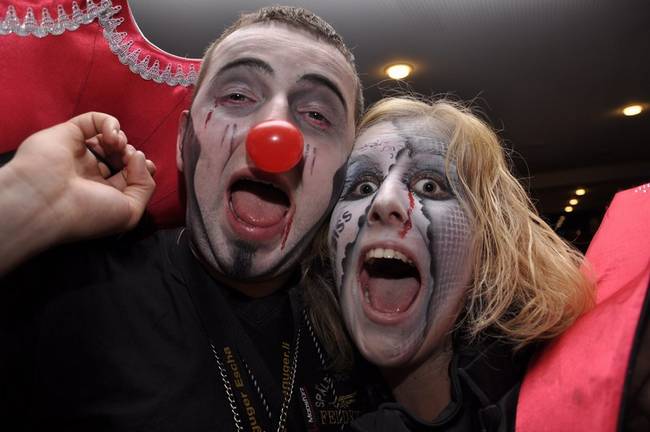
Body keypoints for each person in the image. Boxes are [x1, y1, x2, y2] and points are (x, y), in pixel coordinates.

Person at [0, 6, 381, 431]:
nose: (274, 134)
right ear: (184, 140)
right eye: (237, 96)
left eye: (317, 115)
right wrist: (20, 201)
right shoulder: (73, 296)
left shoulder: (362, 326)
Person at [304, 97, 595, 431]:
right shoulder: (309, 401)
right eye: (364, 186)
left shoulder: (565, 406)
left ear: (487, 242)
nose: (383, 202)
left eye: (429, 185)